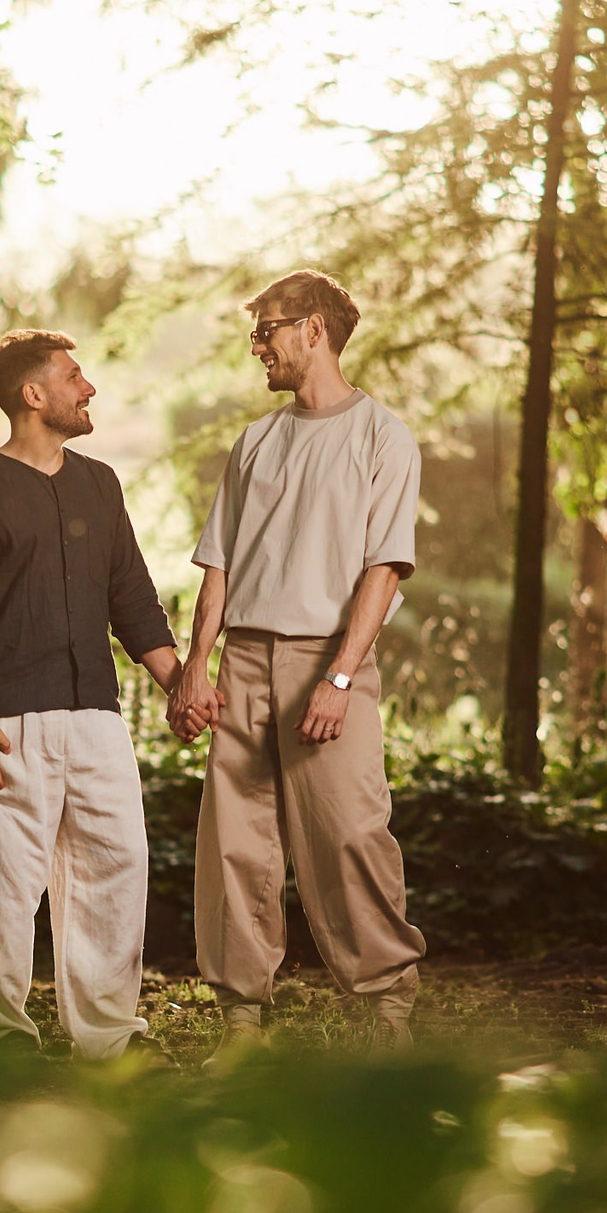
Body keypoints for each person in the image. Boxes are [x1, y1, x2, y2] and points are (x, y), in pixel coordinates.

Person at [168, 270, 428, 1043]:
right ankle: (241, 1019)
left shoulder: (383, 437)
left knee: (350, 834)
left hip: (329, 661)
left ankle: (387, 1013)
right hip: (245, 658)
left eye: (267, 330)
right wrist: (196, 665)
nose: (258, 348)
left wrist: (340, 677)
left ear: (314, 328)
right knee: (236, 847)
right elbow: (219, 564)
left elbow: (384, 570)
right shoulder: (256, 442)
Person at [0, 330, 184, 1058]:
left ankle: (106, 1039)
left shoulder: (99, 484)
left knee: (117, 864)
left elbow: (132, 598)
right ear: (33, 395)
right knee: (5, 887)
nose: (88, 387)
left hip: (97, 715)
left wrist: (180, 686)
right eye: (74, 376)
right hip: (7, 717)